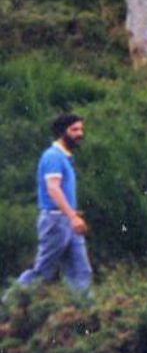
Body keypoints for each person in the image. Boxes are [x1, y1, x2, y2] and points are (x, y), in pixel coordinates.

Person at [11, 114, 92, 298]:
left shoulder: (65, 158)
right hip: (56, 221)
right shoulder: (53, 156)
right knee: (42, 272)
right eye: (74, 130)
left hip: (67, 220)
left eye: (81, 129)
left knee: (81, 271)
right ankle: (8, 305)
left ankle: (83, 314)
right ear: (62, 132)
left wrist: (72, 215)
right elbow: (52, 188)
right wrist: (72, 216)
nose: (80, 134)